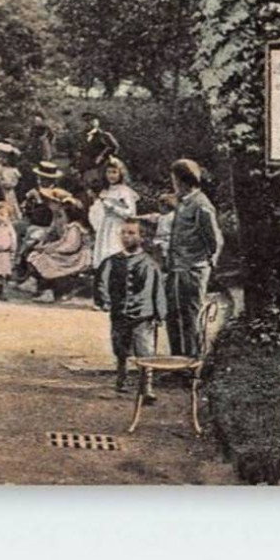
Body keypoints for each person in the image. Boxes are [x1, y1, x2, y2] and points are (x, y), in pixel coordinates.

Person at [95, 217, 167, 399]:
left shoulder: (149, 263)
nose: (126, 237)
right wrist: (104, 300)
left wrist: (160, 313)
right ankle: (122, 378)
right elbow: (101, 281)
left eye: (131, 233)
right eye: (124, 233)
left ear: (142, 237)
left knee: (145, 351)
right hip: (120, 313)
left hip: (143, 315)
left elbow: (157, 289)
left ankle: (147, 387)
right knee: (120, 347)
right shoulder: (112, 261)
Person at [164, 159, 223, 357]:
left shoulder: (202, 205)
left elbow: (215, 240)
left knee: (191, 317)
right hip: (176, 267)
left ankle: (192, 365)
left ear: (183, 181)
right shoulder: (184, 200)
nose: (173, 184)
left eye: (174, 180)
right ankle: (176, 362)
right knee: (172, 315)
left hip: (192, 270)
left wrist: (206, 263)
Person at [20, 191, 92, 301]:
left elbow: (71, 246)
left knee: (47, 259)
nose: (60, 218)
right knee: (37, 254)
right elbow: (61, 241)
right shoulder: (69, 227)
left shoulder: (75, 228)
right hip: (68, 254)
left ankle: (48, 292)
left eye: (62, 216)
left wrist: (53, 249)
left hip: (77, 257)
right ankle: (34, 282)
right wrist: (47, 247)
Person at [88, 157, 139, 267]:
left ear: (121, 173)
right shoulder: (106, 191)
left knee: (115, 251)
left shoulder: (124, 191)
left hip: (118, 226)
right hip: (106, 225)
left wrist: (112, 207)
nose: (111, 175)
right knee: (104, 254)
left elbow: (131, 213)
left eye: (114, 172)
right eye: (108, 172)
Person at [77, 113, 120, 194]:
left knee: (101, 189)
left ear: (97, 122)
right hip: (85, 167)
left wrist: (102, 156)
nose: (88, 123)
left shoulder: (104, 136)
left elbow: (115, 147)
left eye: (91, 121)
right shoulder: (81, 135)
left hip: (101, 167)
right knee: (86, 190)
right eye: (86, 121)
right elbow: (78, 150)